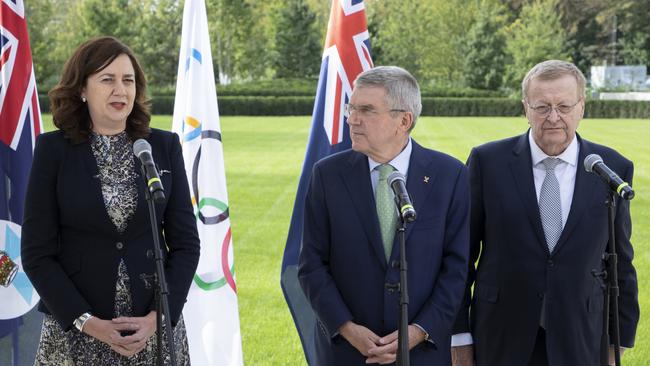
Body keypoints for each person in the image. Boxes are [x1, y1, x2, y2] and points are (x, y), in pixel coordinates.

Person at [21, 36, 200, 365]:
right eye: (108, 79)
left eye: (128, 80)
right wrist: (87, 322)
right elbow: (36, 254)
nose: (121, 90)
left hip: (152, 332)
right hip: (75, 333)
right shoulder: (52, 152)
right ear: (82, 90)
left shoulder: (162, 147)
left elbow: (187, 245)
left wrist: (157, 319)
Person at [451, 60, 639, 366]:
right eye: (542, 107)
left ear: (582, 107)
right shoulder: (488, 162)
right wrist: (458, 338)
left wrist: (617, 344)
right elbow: (461, 257)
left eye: (564, 106)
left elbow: (622, 264)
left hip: (580, 338)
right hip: (500, 336)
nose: (553, 117)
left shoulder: (612, 168)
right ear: (525, 108)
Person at [298, 66, 470, 365]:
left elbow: (457, 268)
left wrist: (419, 331)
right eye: (351, 108)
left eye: (366, 110)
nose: (352, 119)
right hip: (346, 353)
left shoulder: (449, 175)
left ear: (403, 120)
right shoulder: (327, 175)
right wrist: (347, 328)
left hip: (422, 353)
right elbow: (311, 265)